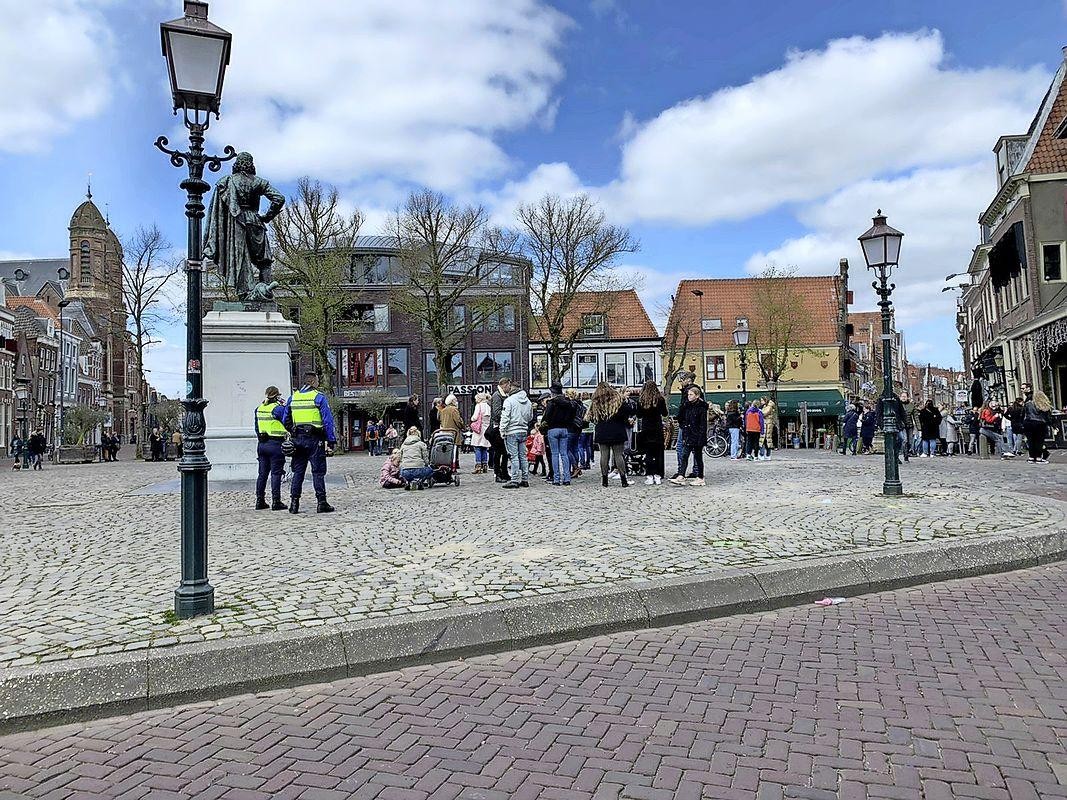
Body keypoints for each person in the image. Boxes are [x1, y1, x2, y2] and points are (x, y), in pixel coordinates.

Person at [275, 371, 337, 514]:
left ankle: (294, 503)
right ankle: (321, 502)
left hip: (298, 439)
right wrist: (331, 440)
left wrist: (293, 431)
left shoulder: (293, 398)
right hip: (315, 440)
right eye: (317, 381)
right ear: (313, 382)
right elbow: (327, 421)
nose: (318, 383)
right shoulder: (318, 397)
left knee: (298, 472)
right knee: (318, 472)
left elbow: (285, 419)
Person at [588, 382, 637, 488]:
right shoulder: (617, 400)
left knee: (604, 456)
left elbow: (589, 417)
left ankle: (604, 480)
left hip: (602, 430)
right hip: (617, 430)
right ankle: (623, 479)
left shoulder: (596, 402)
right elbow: (628, 410)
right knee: (618, 455)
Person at [254, 386, 288, 511]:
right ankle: (276, 501)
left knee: (262, 474)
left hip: (262, 444)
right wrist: (285, 406)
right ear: (277, 396)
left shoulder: (259, 408)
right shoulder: (278, 409)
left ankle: (260, 500)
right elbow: (287, 420)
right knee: (276, 473)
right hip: (276, 444)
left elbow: (256, 427)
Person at [670, 385, 707, 485]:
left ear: (697, 395)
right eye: (688, 394)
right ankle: (681, 476)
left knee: (698, 457)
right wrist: (684, 427)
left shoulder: (702, 407)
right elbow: (681, 418)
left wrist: (701, 437)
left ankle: (700, 477)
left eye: (691, 394)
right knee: (685, 455)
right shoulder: (686, 406)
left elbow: (703, 424)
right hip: (689, 434)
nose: (689, 396)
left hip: (697, 435)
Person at [500, 383, 534, 489]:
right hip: (523, 430)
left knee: (513, 456)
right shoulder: (528, 401)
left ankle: (514, 479)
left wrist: (502, 430)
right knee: (523, 456)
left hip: (511, 431)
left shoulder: (509, 401)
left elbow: (505, 417)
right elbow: (530, 417)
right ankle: (525, 479)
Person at [542, 382, 574, 487]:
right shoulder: (568, 402)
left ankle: (556, 478)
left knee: (554, 454)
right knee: (564, 454)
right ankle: (567, 478)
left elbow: (546, 417)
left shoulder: (551, 403)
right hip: (564, 429)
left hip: (553, 429)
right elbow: (572, 415)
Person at [635, 381, 667, 485]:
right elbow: (665, 413)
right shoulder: (660, 399)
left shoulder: (641, 400)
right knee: (659, 453)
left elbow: (639, 415)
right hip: (657, 428)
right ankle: (658, 475)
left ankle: (649, 475)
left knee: (648, 453)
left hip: (646, 428)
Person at [488, 378, 512, 482]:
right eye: (509, 385)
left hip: (502, 426)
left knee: (505, 452)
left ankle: (504, 472)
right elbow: (496, 413)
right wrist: (507, 415)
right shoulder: (497, 396)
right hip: (497, 427)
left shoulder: (503, 395)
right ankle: (498, 473)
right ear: (504, 385)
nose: (509, 388)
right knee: (498, 452)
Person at [1023, 390, 1053, 463]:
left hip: (1028, 423)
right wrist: (1052, 425)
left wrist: (1023, 424)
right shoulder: (1044, 405)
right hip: (1040, 424)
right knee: (1039, 441)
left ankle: (1031, 457)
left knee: (1031, 441)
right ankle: (1038, 458)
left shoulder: (1028, 404)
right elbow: (1048, 417)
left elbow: (1023, 414)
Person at [469, 392, 492, 474]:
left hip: (479, 429)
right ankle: (485, 465)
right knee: (484, 447)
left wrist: (472, 419)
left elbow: (475, 417)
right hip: (486, 428)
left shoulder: (478, 406)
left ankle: (478, 465)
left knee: (478, 447)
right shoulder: (488, 406)